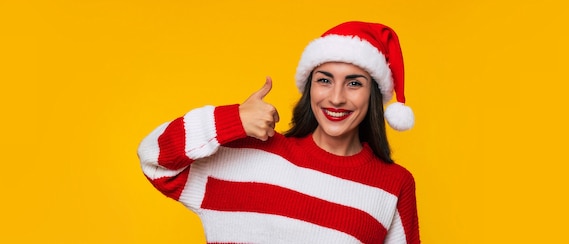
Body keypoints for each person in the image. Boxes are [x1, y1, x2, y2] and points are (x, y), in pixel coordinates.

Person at [137, 21, 420, 243]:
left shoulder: (393, 185)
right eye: (324, 80)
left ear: (374, 94)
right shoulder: (249, 154)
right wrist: (231, 120)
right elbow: (154, 158)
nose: (336, 98)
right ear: (310, 87)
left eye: (354, 83)